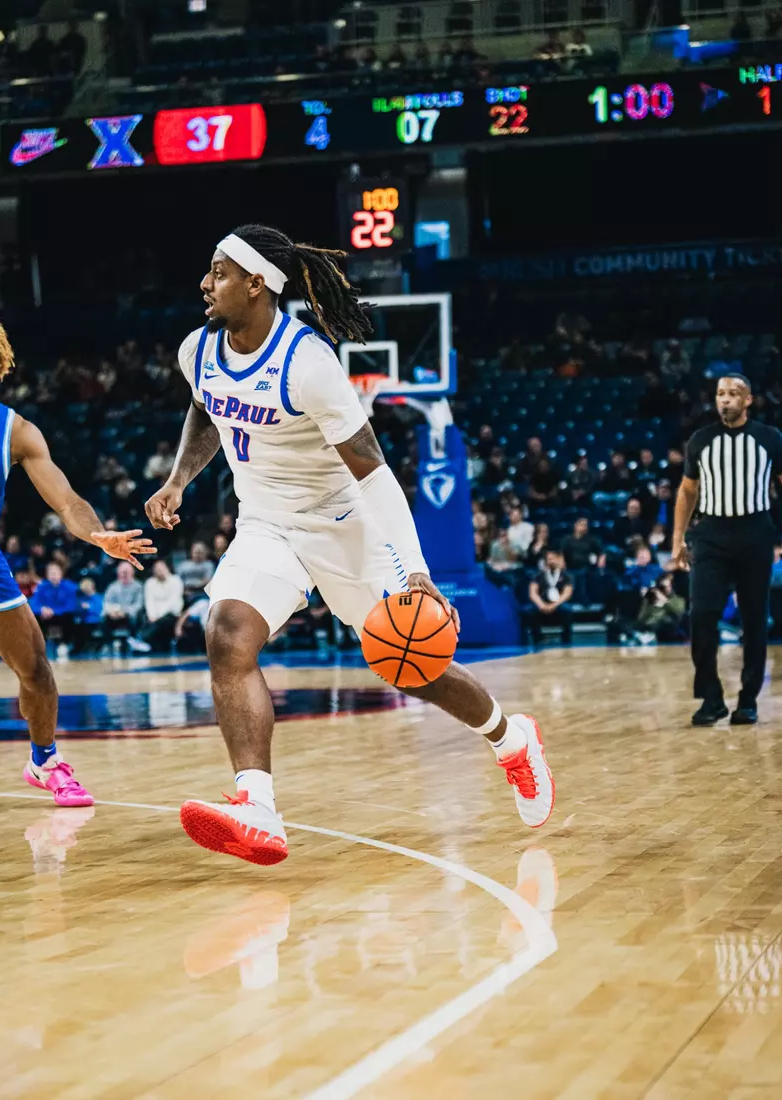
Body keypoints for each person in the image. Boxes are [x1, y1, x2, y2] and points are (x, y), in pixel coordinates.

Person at [146, 224, 554, 863]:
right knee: (226, 631)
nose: (205, 283)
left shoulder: (309, 364)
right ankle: (257, 806)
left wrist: (417, 571)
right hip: (266, 524)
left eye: (219, 273)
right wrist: (177, 480)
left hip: (343, 522)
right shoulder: (196, 349)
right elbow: (206, 405)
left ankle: (511, 739)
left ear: (257, 284)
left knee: (411, 666)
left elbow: (374, 471)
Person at [0, 307, 154, 804]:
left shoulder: (16, 431)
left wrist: (98, 535)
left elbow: (65, 501)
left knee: (36, 669)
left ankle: (46, 762)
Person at [672, 374, 782, 726]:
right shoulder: (700, 440)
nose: (726, 400)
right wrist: (677, 540)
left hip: (755, 532)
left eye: (734, 394)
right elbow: (687, 491)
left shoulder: (769, 438)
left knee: (754, 620)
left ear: (748, 400)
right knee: (701, 615)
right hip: (711, 534)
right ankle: (712, 698)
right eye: (721, 394)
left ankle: (748, 699)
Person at [524, 550, 574, 646]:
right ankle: (537, 640)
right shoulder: (538, 575)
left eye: (553, 558)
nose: (551, 561)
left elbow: (567, 593)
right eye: (549, 559)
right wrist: (541, 605)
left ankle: (566, 641)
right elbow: (532, 593)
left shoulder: (566, 575)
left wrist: (553, 605)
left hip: (558, 604)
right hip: (542, 604)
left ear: (559, 559)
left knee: (567, 610)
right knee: (529, 611)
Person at [29, 561, 80, 650]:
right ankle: (38, 645)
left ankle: (65, 644)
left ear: (61, 573)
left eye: (55, 572)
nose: (53, 575)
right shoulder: (41, 587)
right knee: (33, 618)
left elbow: (71, 606)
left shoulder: (70, 586)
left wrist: (54, 611)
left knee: (69, 617)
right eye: (50, 572)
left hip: (62, 615)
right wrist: (42, 609)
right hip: (45, 615)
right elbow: (34, 603)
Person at [102, 560, 148, 651]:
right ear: (118, 573)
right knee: (105, 618)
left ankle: (133, 643)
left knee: (135, 617)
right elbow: (107, 602)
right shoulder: (112, 587)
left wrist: (125, 612)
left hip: (130, 615)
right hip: (115, 614)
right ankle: (107, 645)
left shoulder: (138, 586)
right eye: (122, 572)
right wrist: (112, 612)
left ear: (132, 573)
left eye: (126, 572)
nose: (124, 574)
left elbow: (138, 604)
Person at [143, 558, 184, 651]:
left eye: (161, 569)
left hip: (172, 614)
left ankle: (143, 640)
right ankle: (148, 644)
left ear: (167, 568)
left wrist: (159, 616)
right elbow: (149, 601)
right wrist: (152, 616)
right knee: (144, 618)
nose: (159, 572)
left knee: (162, 622)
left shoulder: (176, 581)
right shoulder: (150, 583)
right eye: (157, 570)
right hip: (154, 616)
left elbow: (172, 602)